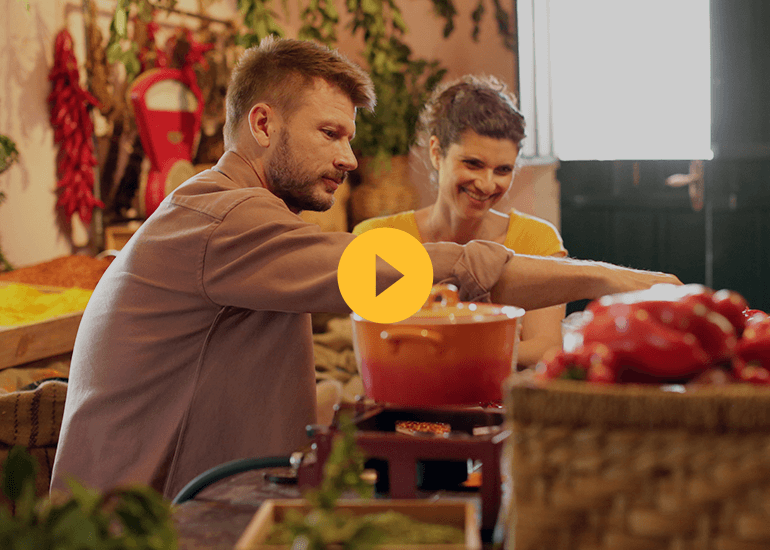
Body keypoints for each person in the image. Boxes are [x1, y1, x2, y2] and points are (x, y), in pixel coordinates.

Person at [50, 37, 680, 501]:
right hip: (137, 528)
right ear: (262, 124)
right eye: (331, 133)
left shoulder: (231, 210)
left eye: (349, 138)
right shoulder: (228, 219)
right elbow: (431, 268)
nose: (350, 158)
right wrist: (614, 279)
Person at [354, 74, 565, 368]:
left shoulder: (535, 239)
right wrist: (497, 344)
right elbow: (377, 350)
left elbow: (546, 350)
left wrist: (437, 343)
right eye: (473, 164)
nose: (487, 184)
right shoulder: (378, 237)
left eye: (503, 170)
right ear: (437, 152)